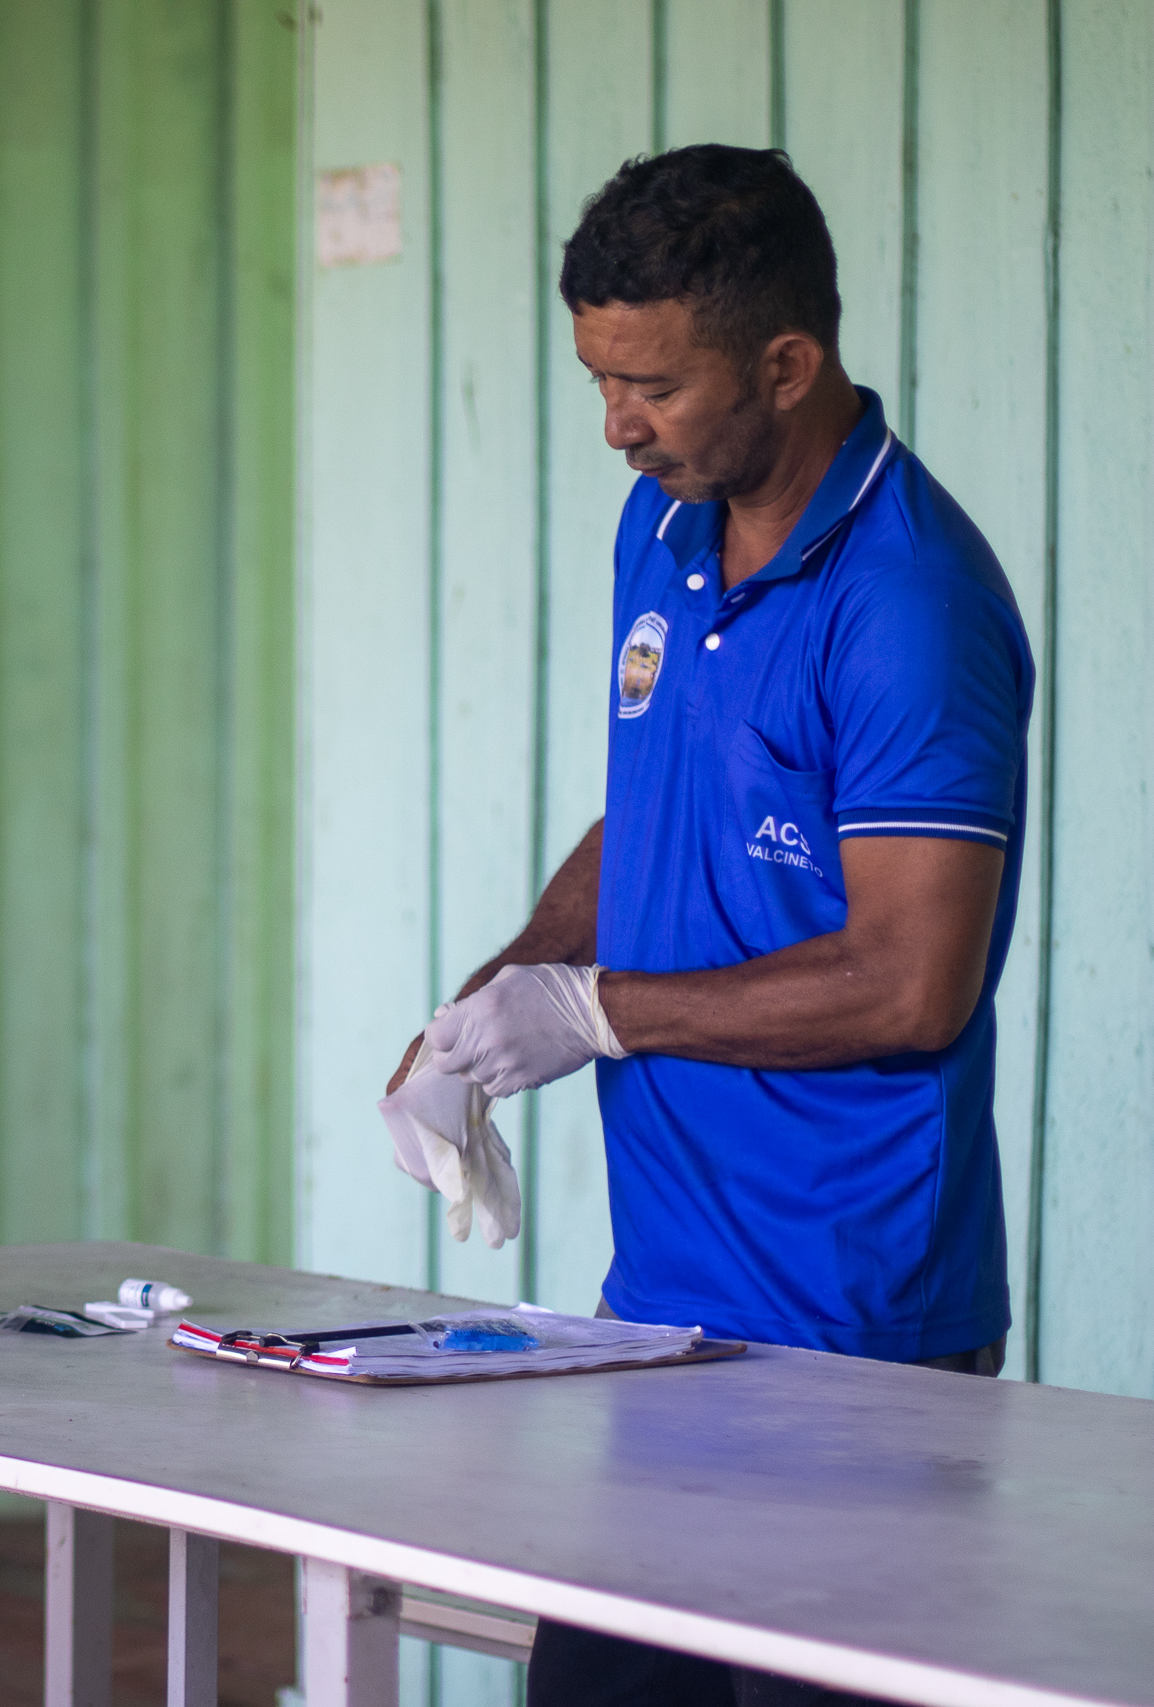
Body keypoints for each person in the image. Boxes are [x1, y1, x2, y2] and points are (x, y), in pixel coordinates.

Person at [387, 147, 1033, 1706]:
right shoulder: (667, 526)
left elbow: (912, 981)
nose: (618, 425)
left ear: (788, 363)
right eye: (602, 380)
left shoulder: (912, 602)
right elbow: (659, 805)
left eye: (655, 386)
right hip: (661, 1307)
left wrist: (596, 1009)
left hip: (853, 1328)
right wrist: (491, 1007)